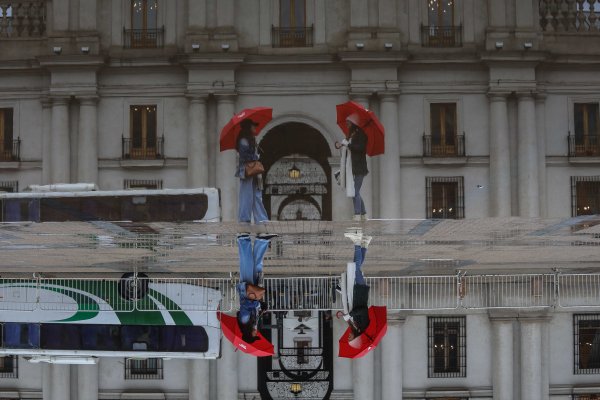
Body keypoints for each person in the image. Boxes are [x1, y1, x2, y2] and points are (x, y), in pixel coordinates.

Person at [236, 232, 277, 343]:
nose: (256, 333)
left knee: (246, 264)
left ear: (249, 334)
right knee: (257, 265)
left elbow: (245, 305)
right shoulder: (252, 323)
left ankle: (243, 240)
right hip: (251, 291)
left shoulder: (244, 321)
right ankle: (261, 241)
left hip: (247, 290)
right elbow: (253, 308)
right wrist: (261, 308)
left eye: (255, 336)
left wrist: (258, 304)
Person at [340, 228, 372, 341]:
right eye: (350, 339)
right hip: (360, 291)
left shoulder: (357, 327)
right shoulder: (363, 326)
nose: (348, 337)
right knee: (355, 268)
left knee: (355, 267)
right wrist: (351, 314)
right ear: (356, 338)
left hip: (356, 292)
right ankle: (357, 241)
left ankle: (365, 243)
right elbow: (363, 310)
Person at [335, 113, 369, 222]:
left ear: (354, 123)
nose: (347, 124)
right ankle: (363, 214)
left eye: (348, 122)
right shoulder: (351, 135)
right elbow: (348, 146)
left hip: (359, 167)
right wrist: (341, 145)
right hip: (352, 166)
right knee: (356, 191)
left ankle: (357, 214)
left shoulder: (361, 134)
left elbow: (360, 148)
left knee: (355, 192)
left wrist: (348, 145)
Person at [236, 118, 269, 224]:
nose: (255, 127)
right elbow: (244, 156)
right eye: (253, 125)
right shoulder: (244, 140)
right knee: (246, 195)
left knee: (257, 195)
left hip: (254, 171)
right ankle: (244, 219)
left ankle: (261, 219)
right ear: (248, 127)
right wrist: (255, 155)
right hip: (247, 170)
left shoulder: (251, 140)